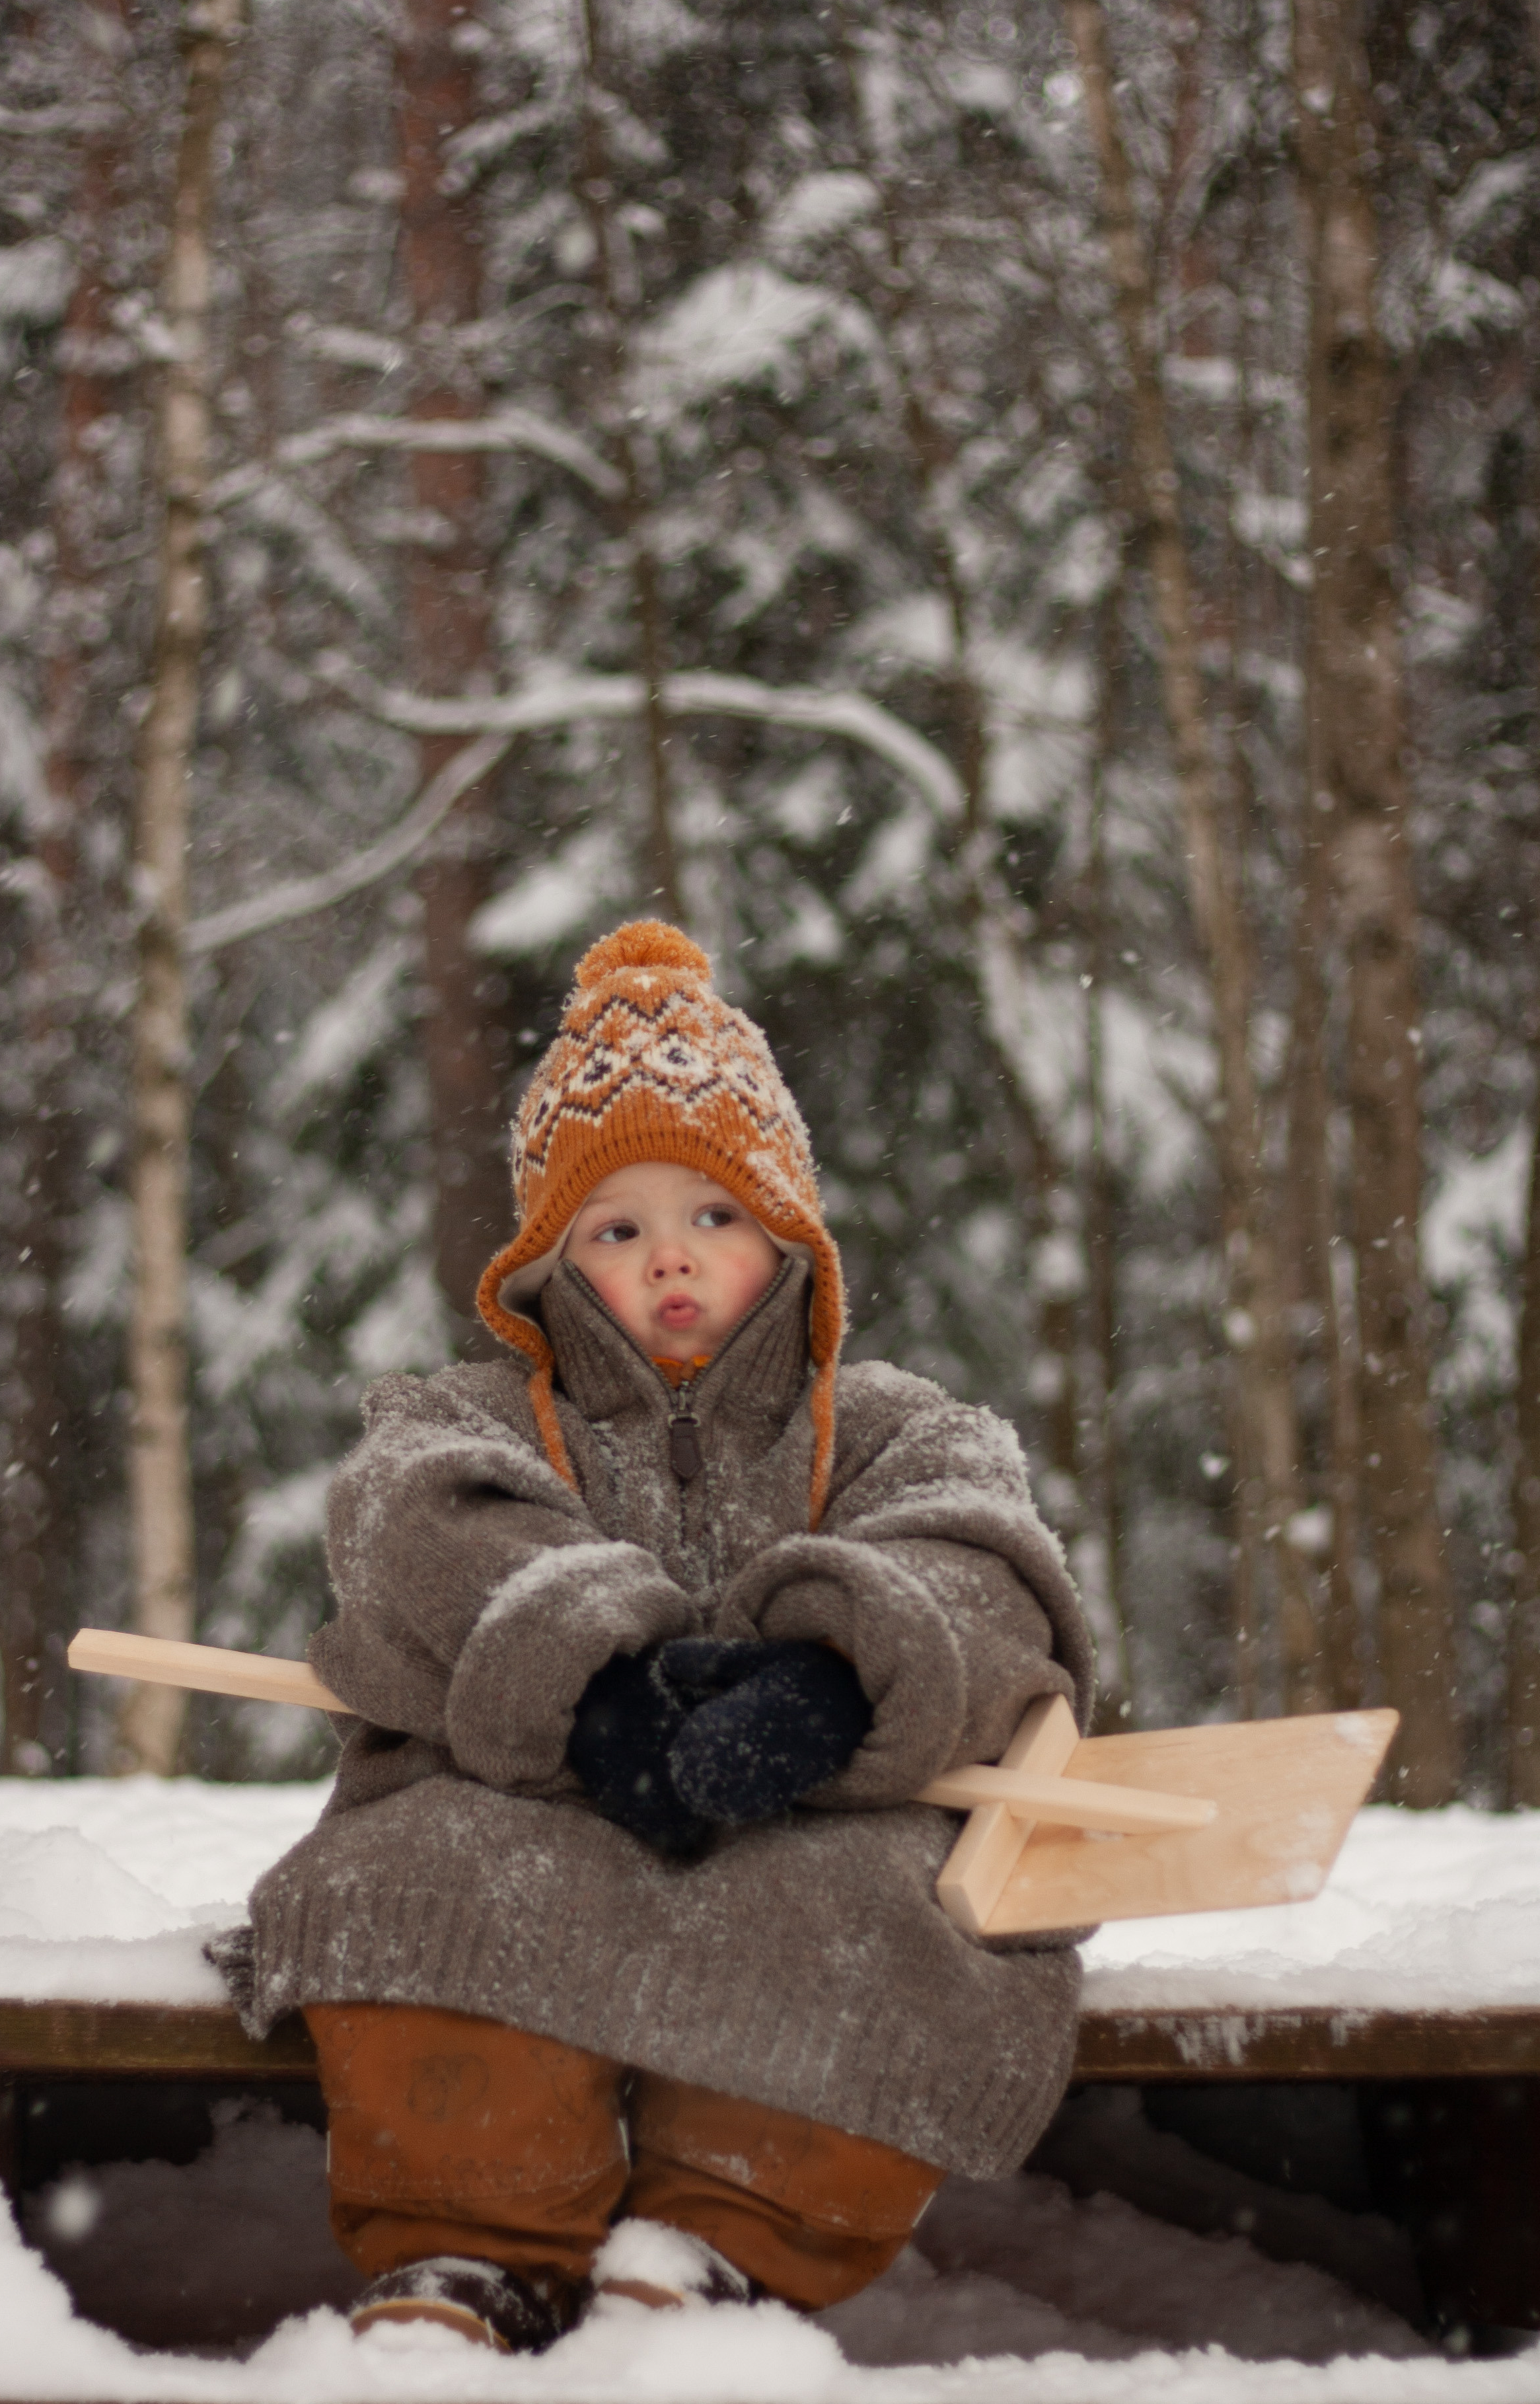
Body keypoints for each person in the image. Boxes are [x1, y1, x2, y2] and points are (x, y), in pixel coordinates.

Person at [215, 919, 1093, 2353]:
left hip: (812, 1817)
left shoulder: (894, 1425)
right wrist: (589, 1676)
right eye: (616, 1229)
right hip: (542, 1796)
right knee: (443, 1868)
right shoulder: (469, 1418)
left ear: (788, 1236)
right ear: (551, 1266)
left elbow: (981, 1566)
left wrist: (832, 1675)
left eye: (713, 1217)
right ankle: (471, 2246)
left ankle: (723, 2245)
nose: (668, 1259)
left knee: (895, 1909)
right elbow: (412, 1526)